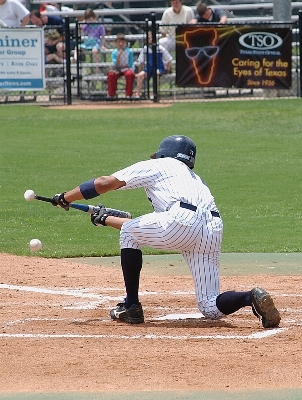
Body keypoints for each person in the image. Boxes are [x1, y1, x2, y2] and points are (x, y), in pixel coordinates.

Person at [49, 135, 281, 329]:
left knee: (129, 233)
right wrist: (108, 219)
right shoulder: (193, 178)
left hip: (181, 222)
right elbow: (161, 223)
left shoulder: (159, 165)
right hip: (212, 229)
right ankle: (250, 296)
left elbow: (104, 182)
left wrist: (65, 198)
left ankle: (131, 306)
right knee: (210, 307)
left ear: (164, 153)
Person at [134, 31, 173, 98]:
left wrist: (168, 69)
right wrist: (140, 71)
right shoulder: (145, 49)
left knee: (156, 74)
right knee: (140, 76)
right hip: (149, 68)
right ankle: (138, 94)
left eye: (152, 38)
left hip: (159, 67)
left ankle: (154, 93)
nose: (151, 40)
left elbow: (169, 59)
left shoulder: (160, 48)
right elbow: (141, 62)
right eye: (149, 38)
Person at [79, 8, 107, 74]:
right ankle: (75, 60)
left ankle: (97, 68)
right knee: (77, 48)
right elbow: (81, 30)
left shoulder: (100, 26)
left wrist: (102, 45)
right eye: (87, 19)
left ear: (94, 17)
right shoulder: (87, 25)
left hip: (96, 42)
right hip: (89, 41)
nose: (89, 20)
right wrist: (83, 23)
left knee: (94, 51)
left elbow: (103, 37)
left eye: (90, 18)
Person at [107, 33, 135, 99]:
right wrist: (119, 55)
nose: (121, 44)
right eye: (119, 42)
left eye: (122, 42)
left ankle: (128, 95)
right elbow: (116, 64)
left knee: (130, 75)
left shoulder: (129, 51)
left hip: (127, 69)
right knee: (111, 75)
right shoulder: (114, 52)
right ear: (116, 43)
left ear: (125, 42)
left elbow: (130, 64)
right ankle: (111, 95)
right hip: (117, 69)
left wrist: (123, 67)